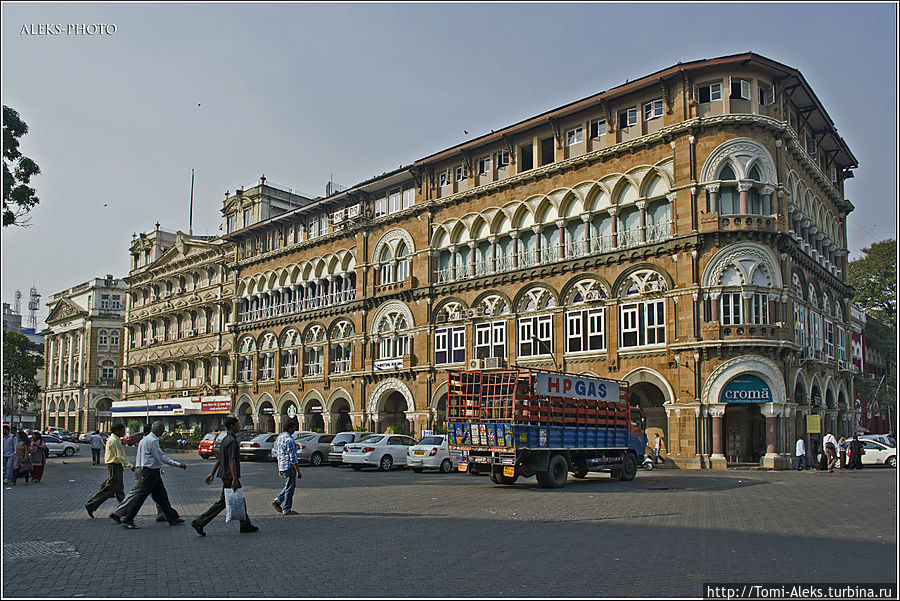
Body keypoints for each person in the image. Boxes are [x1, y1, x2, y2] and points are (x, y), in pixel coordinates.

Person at [191, 416, 258, 536]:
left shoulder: (225, 439)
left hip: (225, 474)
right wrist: (234, 478)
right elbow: (231, 460)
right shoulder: (231, 441)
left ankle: (245, 524)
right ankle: (199, 522)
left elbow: (220, 459)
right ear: (232, 426)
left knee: (237, 499)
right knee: (225, 502)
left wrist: (212, 473)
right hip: (229, 476)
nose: (239, 426)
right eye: (237, 424)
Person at [119, 421, 186, 529]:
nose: (163, 432)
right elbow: (161, 456)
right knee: (141, 496)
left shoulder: (144, 440)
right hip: (151, 472)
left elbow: (143, 457)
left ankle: (172, 517)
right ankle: (128, 519)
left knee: (161, 496)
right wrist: (178, 464)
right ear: (158, 429)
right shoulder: (153, 440)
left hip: (149, 470)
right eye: (162, 430)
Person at [109, 424, 169, 524]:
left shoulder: (144, 441)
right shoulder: (150, 441)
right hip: (145, 470)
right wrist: (130, 466)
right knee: (139, 493)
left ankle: (163, 514)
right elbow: (156, 457)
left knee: (159, 493)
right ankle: (119, 513)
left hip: (146, 469)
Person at [85, 423, 133, 518]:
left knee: (119, 490)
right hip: (114, 466)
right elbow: (119, 456)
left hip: (116, 466)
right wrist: (130, 466)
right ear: (116, 431)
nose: (124, 432)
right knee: (110, 489)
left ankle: (123, 509)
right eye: (122, 431)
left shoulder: (115, 439)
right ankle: (91, 504)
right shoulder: (114, 440)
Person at [272, 418, 302, 516]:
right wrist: (298, 471)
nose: (294, 430)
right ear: (289, 428)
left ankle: (278, 500)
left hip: (282, 465)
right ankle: (286, 508)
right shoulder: (290, 440)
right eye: (293, 428)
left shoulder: (280, 437)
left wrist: (279, 468)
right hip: (289, 466)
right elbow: (293, 457)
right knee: (290, 488)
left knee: (288, 486)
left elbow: (278, 453)